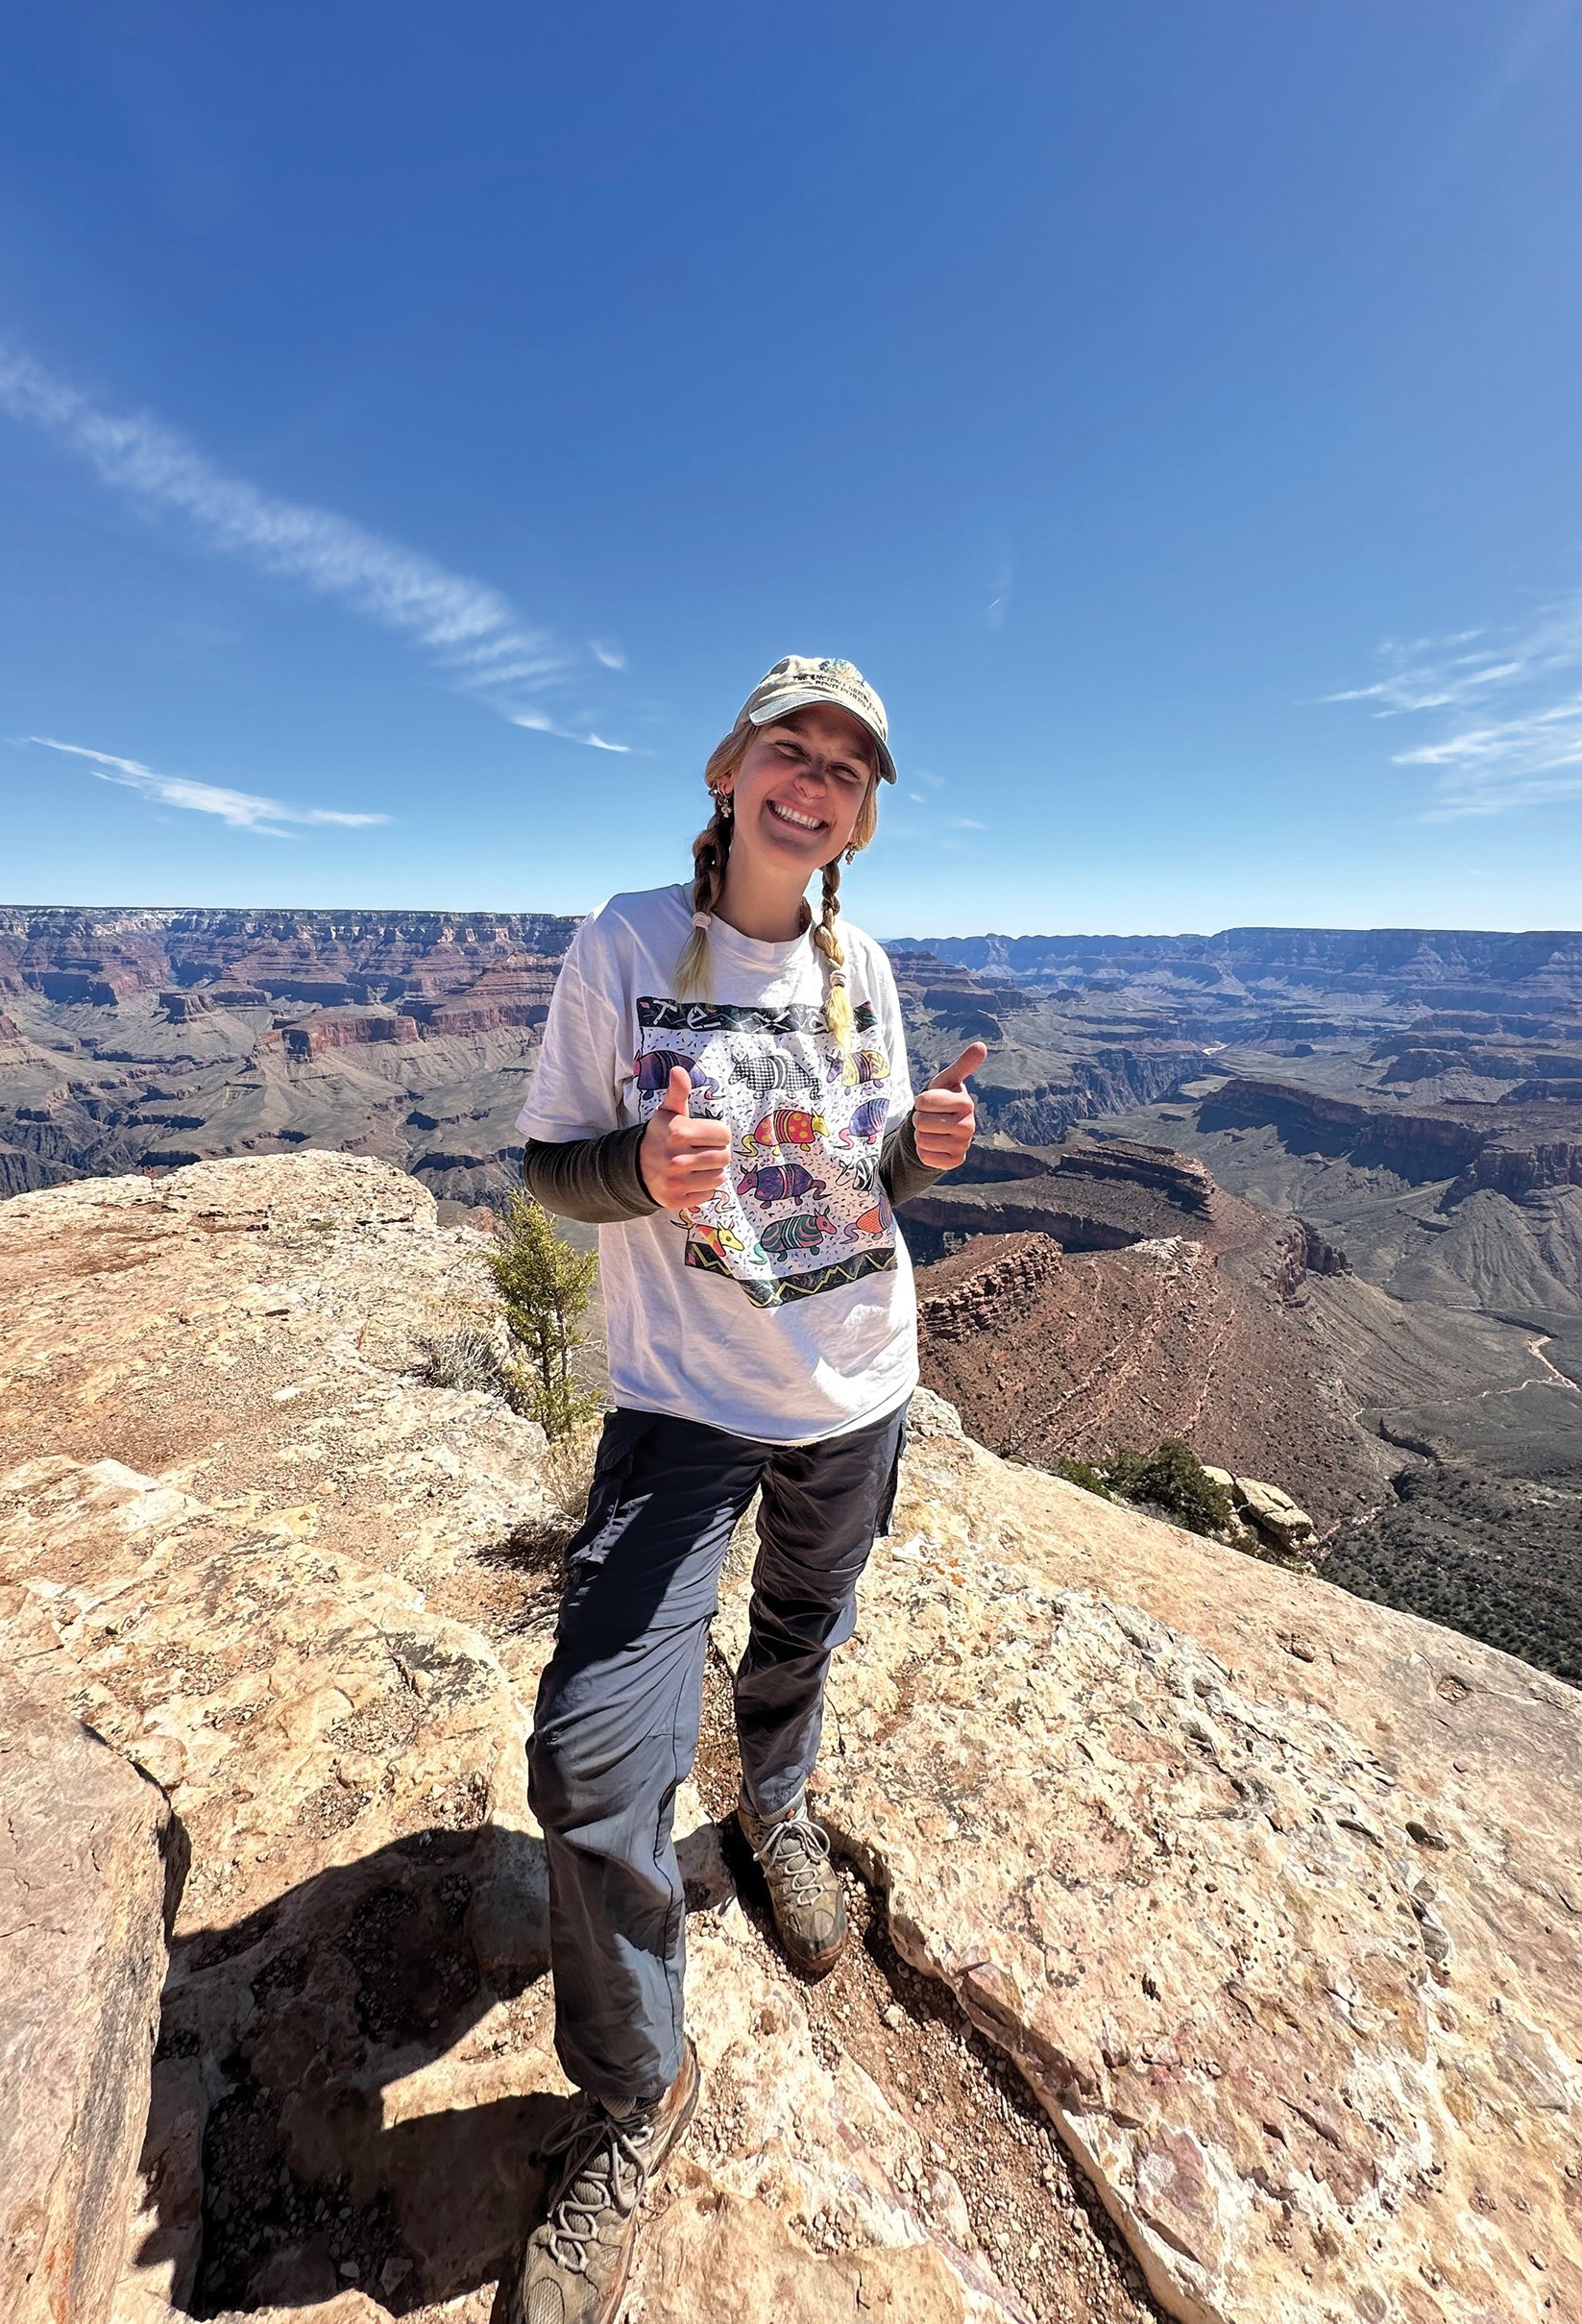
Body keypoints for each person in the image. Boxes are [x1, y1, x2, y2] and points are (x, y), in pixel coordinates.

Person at [510, 654, 982, 2324]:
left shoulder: (862, 963)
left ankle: (772, 1809)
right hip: (684, 1404)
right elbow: (546, 1170)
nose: (815, 782)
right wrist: (634, 1171)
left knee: (804, 1629)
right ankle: (637, 2091)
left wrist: (925, 1142)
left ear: (862, 813)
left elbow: (872, 1179)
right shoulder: (627, 945)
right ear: (731, 772)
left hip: (854, 1379)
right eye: (791, 752)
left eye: (847, 768)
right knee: (587, 1758)